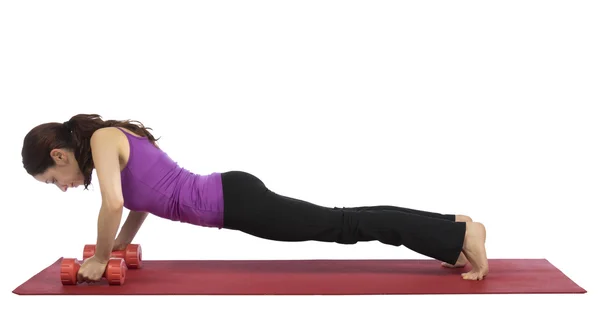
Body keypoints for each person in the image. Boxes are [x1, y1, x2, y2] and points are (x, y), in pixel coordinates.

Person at [21, 114, 489, 282]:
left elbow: (113, 203)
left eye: (53, 180)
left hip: (234, 201)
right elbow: (141, 201)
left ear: (59, 154)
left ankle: (460, 233)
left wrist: (102, 258)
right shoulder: (109, 143)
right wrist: (119, 247)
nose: (63, 188)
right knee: (340, 220)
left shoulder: (103, 139)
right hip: (233, 195)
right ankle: (451, 225)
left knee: (342, 226)